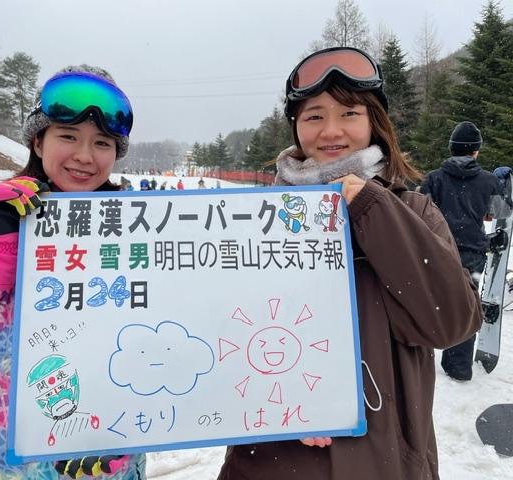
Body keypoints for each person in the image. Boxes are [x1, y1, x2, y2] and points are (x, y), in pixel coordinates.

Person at [216, 47, 482, 480]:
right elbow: (223, 333)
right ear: (296, 127)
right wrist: (287, 405)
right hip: (271, 461)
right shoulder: (255, 218)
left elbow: (450, 322)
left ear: (374, 121)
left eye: (350, 113)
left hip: (388, 461)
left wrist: (369, 204)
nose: (331, 130)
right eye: (314, 116)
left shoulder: (413, 211)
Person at [0, 64, 146, 480]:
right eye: (68, 137)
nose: (85, 156)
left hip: (102, 443)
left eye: (103, 143)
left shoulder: (137, 228)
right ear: (38, 142)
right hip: (2, 448)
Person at [419, 121, 512, 381]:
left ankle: (417, 363)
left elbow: (420, 212)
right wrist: (502, 188)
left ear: (451, 148)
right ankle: (458, 367)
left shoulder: (435, 178)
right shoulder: (489, 181)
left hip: (437, 251)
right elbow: (500, 213)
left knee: (429, 303)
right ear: (476, 151)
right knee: (464, 306)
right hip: (472, 254)